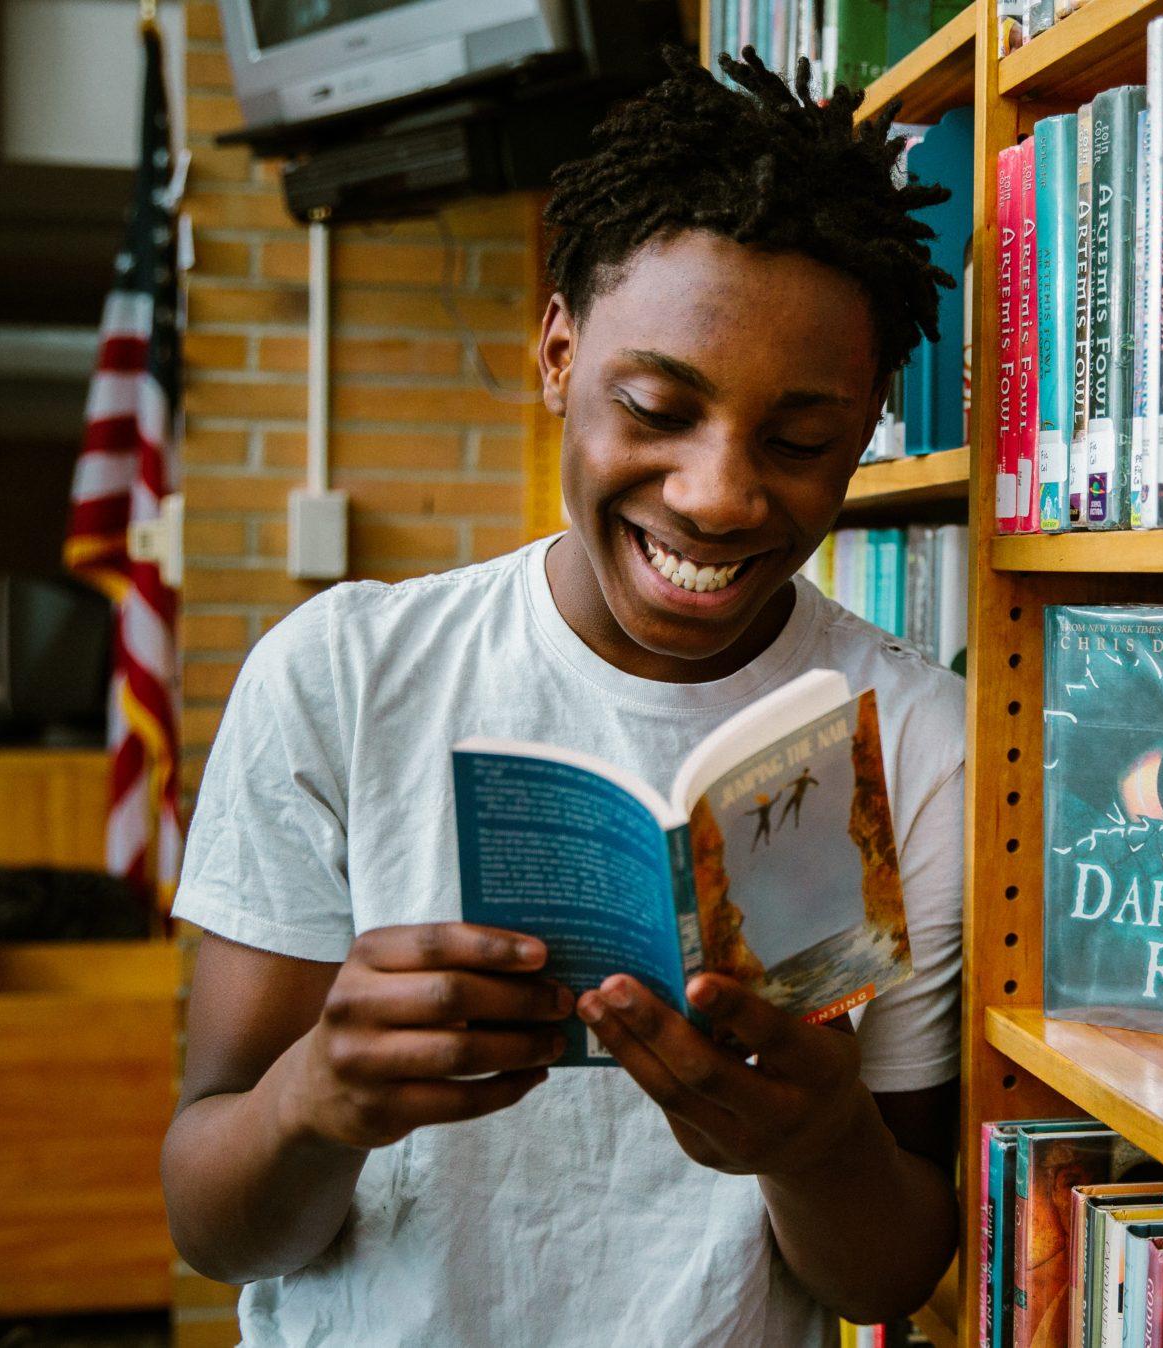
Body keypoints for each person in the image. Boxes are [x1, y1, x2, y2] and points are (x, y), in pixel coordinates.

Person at [159, 49, 965, 1346]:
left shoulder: (923, 741)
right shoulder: (342, 676)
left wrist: (816, 1146)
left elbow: (884, 1278)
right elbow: (213, 1228)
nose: (716, 493)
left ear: (869, 429)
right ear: (555, 354)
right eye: (656, 407)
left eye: (802, 441)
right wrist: (316, 1096)